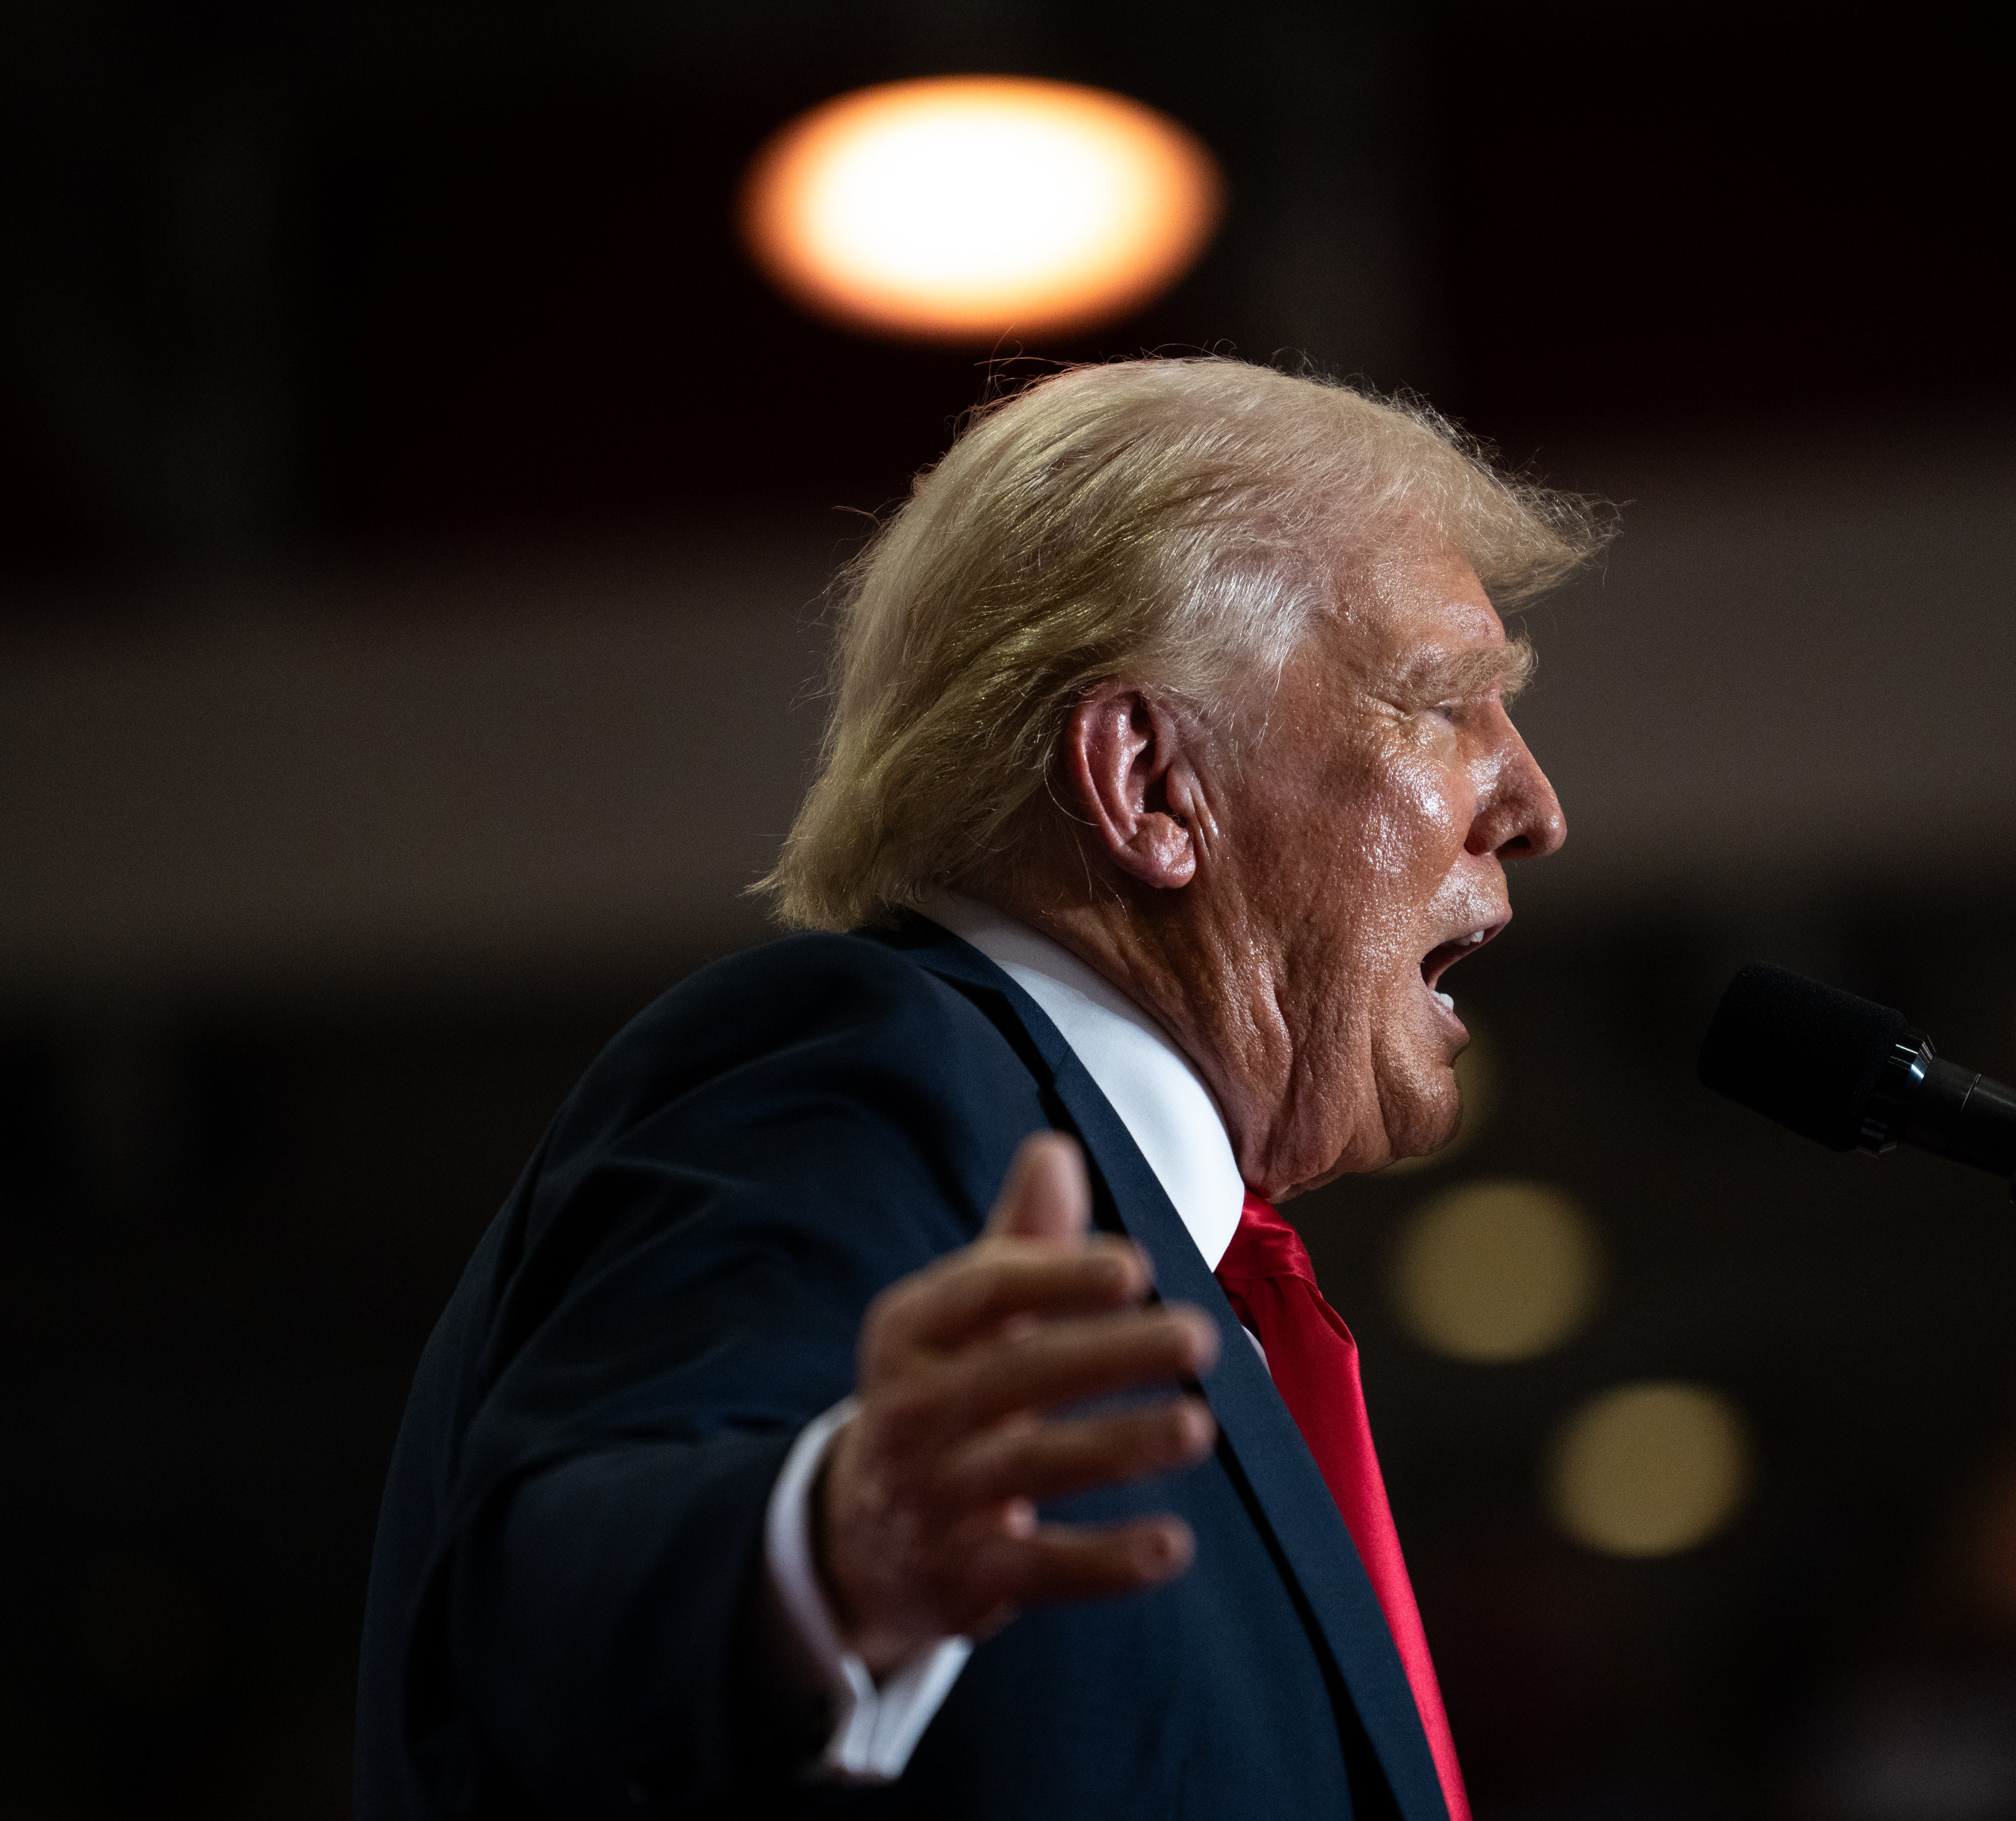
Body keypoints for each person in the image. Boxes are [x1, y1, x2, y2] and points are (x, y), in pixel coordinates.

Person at [353, 357, 1606, 1819]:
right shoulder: (863, 1061)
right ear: (1149, 786)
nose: (1533, 807)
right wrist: (826, 1551)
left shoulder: (1165, 1271)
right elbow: (545, 1610)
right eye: (1447, 702)